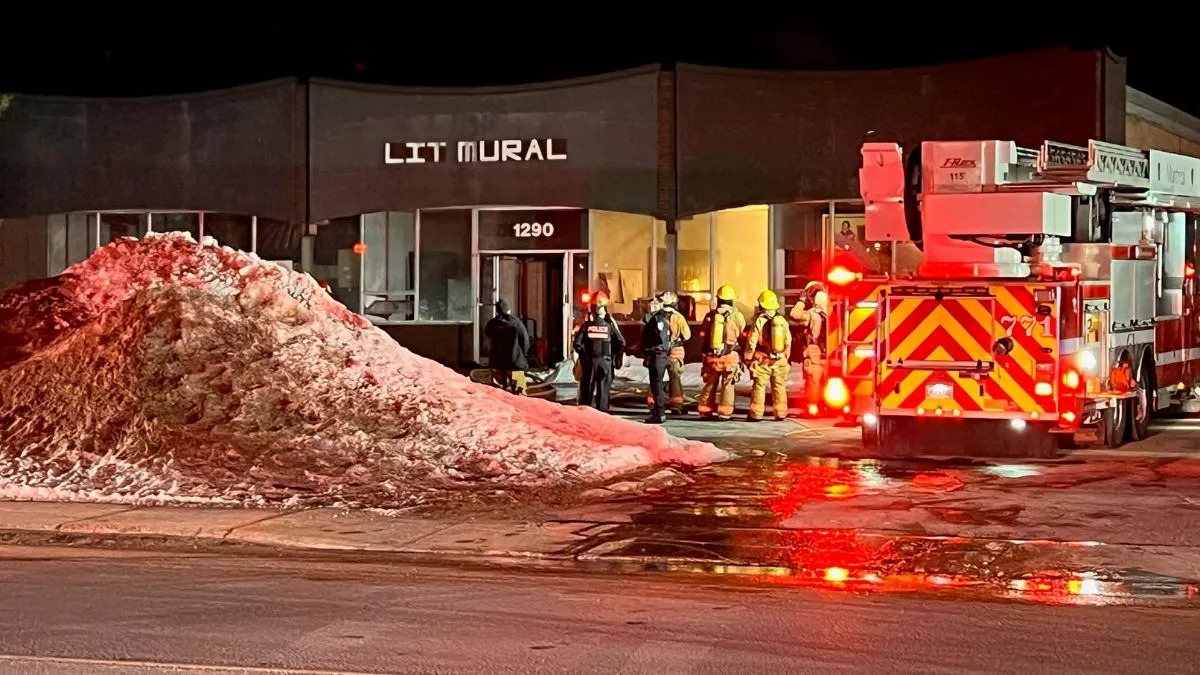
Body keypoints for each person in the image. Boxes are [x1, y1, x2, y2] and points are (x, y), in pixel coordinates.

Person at [697, 284, 747, 420]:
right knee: (728, 385)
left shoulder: (710, 315)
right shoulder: (737, 316)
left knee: (710, 384)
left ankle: (705, 411)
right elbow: (743, 335)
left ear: (718, 299)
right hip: (730, 357)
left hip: (712, 357)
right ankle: (724, 413)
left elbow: (702, 335)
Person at [744, 289, 792, 421]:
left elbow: (752, 340)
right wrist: (785, 356)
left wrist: (748, 356)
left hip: (763, 360)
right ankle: (780, 413)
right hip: (779, 360)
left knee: (759, 386)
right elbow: (788, 340)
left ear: (762, 305)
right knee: (779, 386)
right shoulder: (782, 321)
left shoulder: (759, 321)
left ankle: (756, 414)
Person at [573, 298, 625, 412]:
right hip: (605, 362)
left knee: (587, 391)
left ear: (592, 311)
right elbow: (621, 342)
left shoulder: (586, 326)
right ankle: (602, 414)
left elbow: (577, 344)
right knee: (603, 392)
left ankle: (584, 415)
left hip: (590, 362)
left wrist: (584, 357)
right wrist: (615, 357)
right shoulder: (609, 326)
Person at [644, 291, 691, 415]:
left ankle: (653, 402)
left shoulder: (657, 316)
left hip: (659, 351)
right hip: (675, 351)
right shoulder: (679, 317)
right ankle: (676, 405)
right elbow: (687, 335)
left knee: (656, 378)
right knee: (675, 378)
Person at [790, 280, 829, 414]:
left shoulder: (813, 315)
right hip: (829, 352)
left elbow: (794, 314)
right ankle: (826, 406)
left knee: (813, 380)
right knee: (826, 380)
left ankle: (813, 407)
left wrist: (801, 300)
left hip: (814, 351)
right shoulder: (833, 313)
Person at [483, 298, 531, 395]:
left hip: (497, 363)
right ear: (508, 310)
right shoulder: (516, 323)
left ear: (497, 311)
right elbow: (525, 341)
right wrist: (524, 356)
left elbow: (487, 334)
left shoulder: (492, 323)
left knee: (498, 393)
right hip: (515, 363)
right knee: (519, 393)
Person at [639, 296, 672, 424]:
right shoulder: (658, 319)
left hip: (657, 356)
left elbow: (659, 339)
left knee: (657, 386)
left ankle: (659, 412)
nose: (649, 308)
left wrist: (650, 349)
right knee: (656, 385)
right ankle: (658, 411)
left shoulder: (658, 320)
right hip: (657, 356)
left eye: (652, 305)